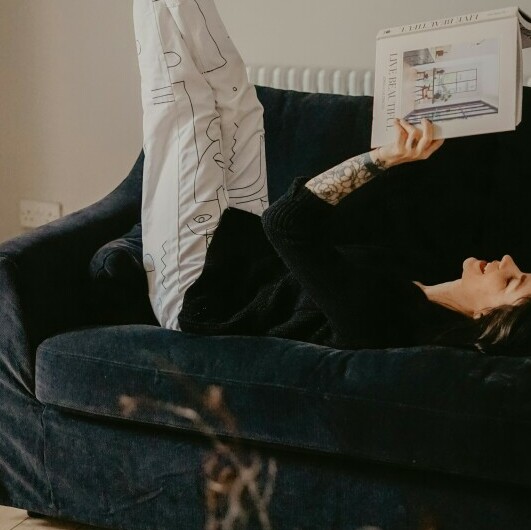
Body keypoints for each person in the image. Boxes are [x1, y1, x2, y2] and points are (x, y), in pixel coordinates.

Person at [134, 0, 531, 356]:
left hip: (199, 288)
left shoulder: (383, 322)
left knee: (185, 108)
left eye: (511, 281)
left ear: (487, 318)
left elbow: (285, 223)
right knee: (238, 101)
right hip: (240, 243)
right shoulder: (425, 280)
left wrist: (383, 158)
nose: (509, 260)